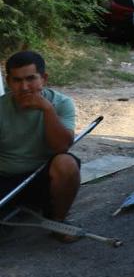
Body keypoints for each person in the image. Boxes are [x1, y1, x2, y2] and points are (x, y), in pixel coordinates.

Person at [0, 51, 81, 241]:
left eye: (31, 79)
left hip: (42, 178)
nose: (24, 87)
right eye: (17, 80)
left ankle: (58, 221)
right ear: (8, 82)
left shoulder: (61, 103)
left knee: (66, 164)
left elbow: (61, 147)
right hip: (5, 179)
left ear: (43, 78)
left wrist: (47, 109)